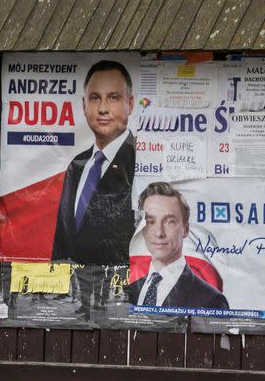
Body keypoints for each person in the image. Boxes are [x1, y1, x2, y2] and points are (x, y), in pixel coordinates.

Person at [52, 60, 136, 319]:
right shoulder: (77, 166)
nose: (102, 108)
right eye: (95, 98)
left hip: (123, 309)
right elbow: (62, 244)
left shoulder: (142, 163)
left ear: (130, 104)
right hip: (74, 311)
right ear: (84, 104)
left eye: (113, 98)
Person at [127, 181, 229, 309]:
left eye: (169, 222)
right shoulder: (128, 292)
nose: (159, 233)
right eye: (151, 222)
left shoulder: (211, 299)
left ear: (185, 230)